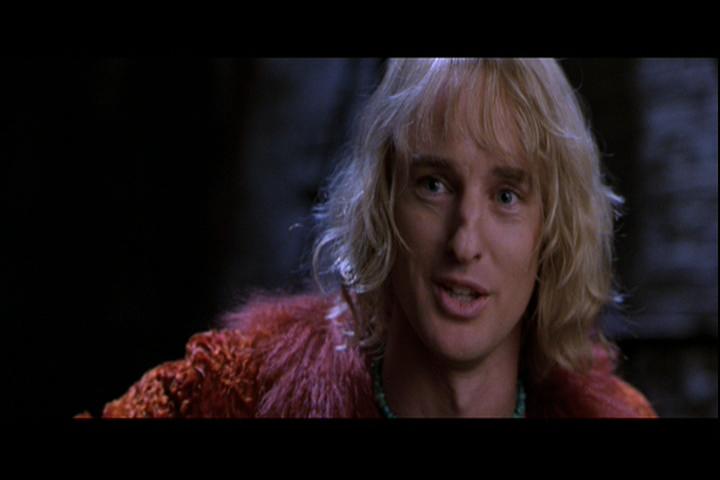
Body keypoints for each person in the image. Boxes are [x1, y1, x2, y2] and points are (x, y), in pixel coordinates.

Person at [84, 58, 657, 418]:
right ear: (382, 203)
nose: (464, 242)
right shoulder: (233, 397)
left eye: (507, 196)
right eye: (434, 185)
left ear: (550, 232)